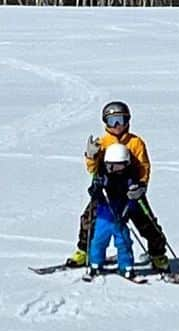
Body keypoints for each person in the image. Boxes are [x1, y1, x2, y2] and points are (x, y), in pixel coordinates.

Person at [66, 100, 172, 271]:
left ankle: (158, 254)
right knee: (89, 219)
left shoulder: (135, 142)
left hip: (131, 191)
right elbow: (92, 169)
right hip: (106, 193)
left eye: (120, 120)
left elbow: (144, 166)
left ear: (127, 121)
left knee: (148, 223)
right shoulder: (102, 142)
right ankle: (83, 251)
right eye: (111, 121)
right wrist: (91, 156)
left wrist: (142, 186)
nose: (116, 126)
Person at [84, 142, 139, 278]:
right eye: (111, 166)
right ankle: (95, 264)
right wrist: (96, 190)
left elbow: (132, 201)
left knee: (124, 242)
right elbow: (94, 192)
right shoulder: (103, 177)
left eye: (119, 166)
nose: (115, 169)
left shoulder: (129, 179)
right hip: (104, 218)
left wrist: (126, 212)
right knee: (98, 241)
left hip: (119, 219)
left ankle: (126, 266)